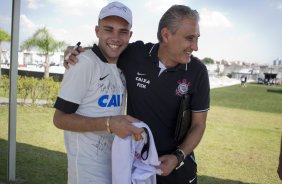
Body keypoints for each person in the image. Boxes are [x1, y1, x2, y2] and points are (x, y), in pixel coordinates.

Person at [65, 4, 210, 184]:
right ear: (166, 35)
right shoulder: (135, 55)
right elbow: (106, 50)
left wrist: (178, 156)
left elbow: (199, 125)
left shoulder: (198, 71)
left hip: (179, 171)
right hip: (138, 169)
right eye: (189, 38)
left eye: (196, 38)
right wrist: (77, 53)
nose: (195, 46)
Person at [53, 2, 144, 184]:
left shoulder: (121, 64)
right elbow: (59, 119)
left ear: (130, 35)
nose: (115, 37)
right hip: (87, 173)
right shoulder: (83, 63)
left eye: (123, 32)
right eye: (108, 29)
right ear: (97, 31)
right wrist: (109, 124)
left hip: (115, 165)